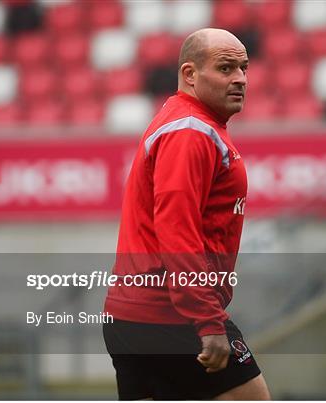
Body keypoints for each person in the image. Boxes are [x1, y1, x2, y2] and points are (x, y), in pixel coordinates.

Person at [102, 28, 270, 400]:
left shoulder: (187, 121)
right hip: (172, 316)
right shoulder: (191, 131)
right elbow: (177, 231)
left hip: (137, 316)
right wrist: (208, 322)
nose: (240, 78)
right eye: (226, 68)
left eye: (244, 68)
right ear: (190, 74)